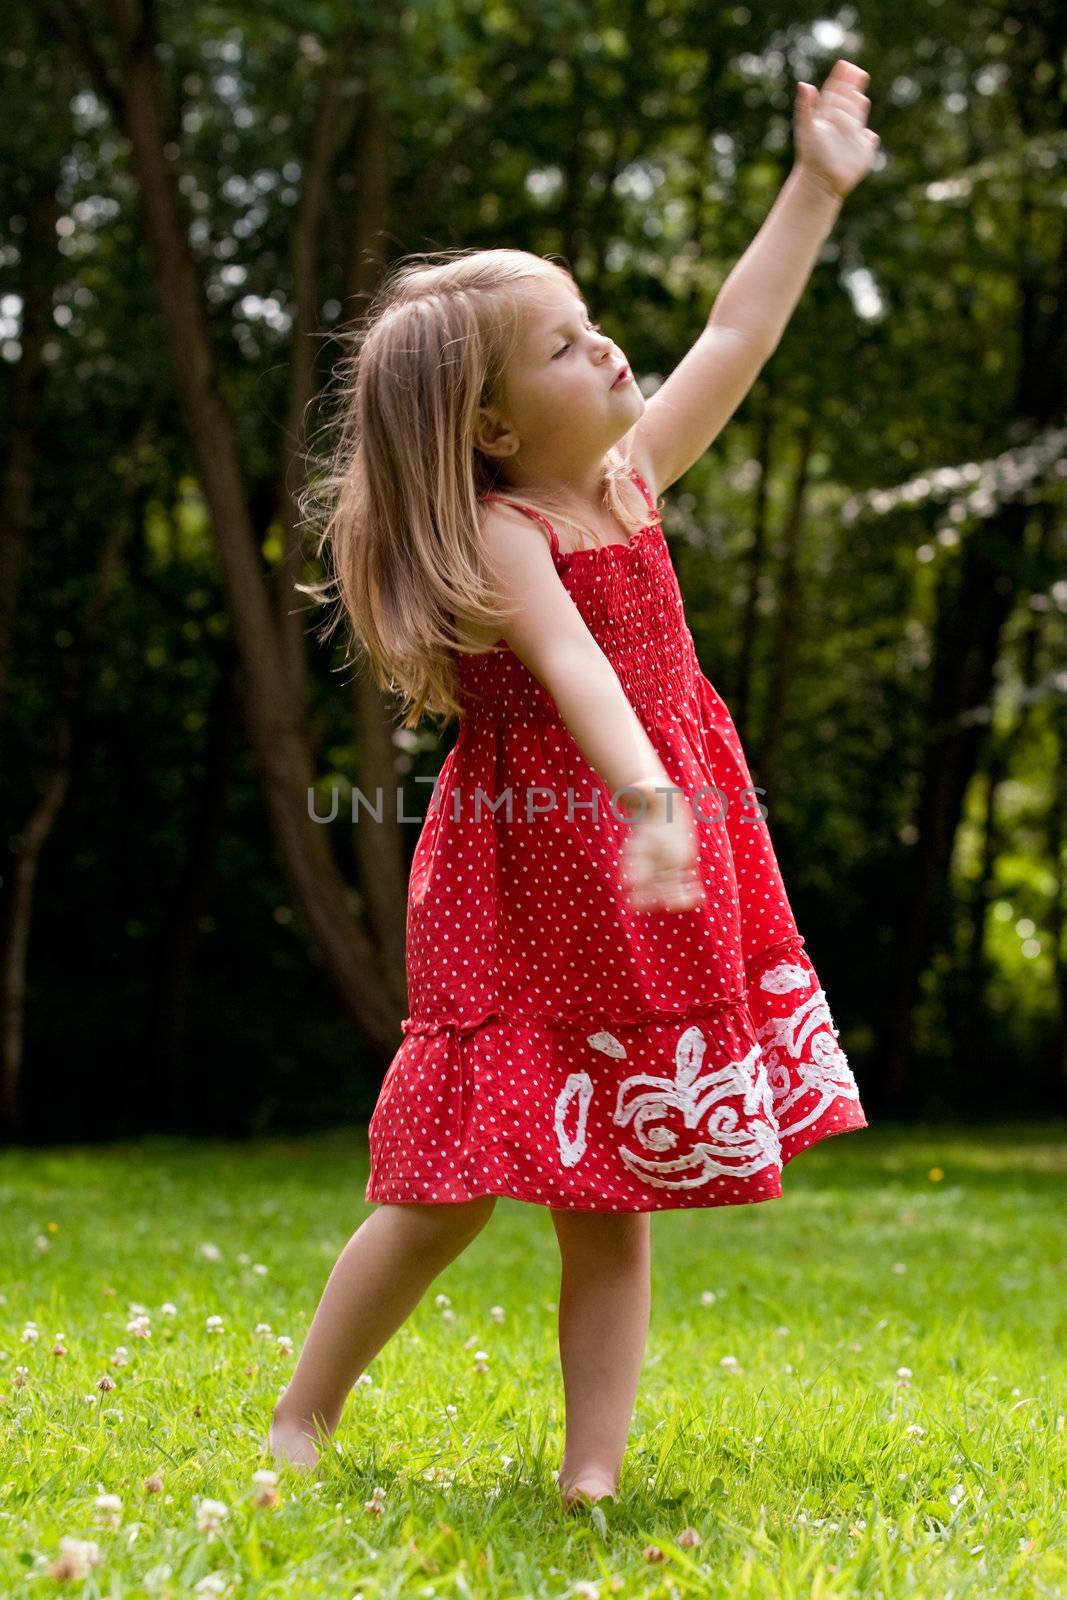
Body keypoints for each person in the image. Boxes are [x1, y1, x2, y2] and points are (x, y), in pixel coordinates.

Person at [269, 59, 880, 1508]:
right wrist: (651, 796)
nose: (609, 355)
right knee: (444, 1194)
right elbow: (575, 671)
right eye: (565, 348)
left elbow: (737, 333)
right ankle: (304, 1414)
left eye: (595, 326)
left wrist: (815, 186)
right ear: (490, 430)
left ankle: (590, 1475)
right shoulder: (504, 534)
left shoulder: (627, 479)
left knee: (611, 1199)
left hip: (643, 863)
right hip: (538, 870)